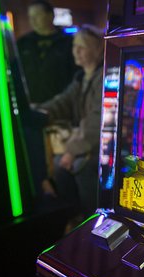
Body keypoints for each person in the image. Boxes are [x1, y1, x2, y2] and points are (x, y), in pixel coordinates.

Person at [39, 25, 104, 219]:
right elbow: (63, 101)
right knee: (59, 163)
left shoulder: (105, 77)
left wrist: (72, 150)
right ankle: (74, 216)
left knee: (78, 166)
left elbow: (97, 119)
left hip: (103, 145)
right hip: (88, 141)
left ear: (97, 49)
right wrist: (41, 112)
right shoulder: (81, 77)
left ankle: (91, 219)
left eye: (82, 47)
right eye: (74, 46)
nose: (75, 51)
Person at [17, 1, 79, 104]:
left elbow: (77, 75)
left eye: (37, 15)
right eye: (30, 17)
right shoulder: (23, 43)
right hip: (30, 104)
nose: (33, 20)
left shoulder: (68, 42)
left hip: (61, 105)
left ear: (51, 15)